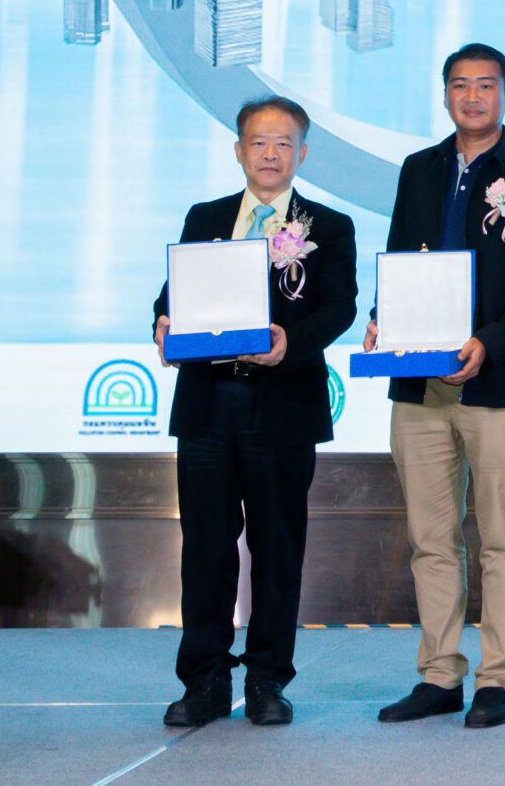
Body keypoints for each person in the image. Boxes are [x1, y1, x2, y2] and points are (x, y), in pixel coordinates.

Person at [369, 43, 505, 730]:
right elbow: (402, 259)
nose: (473, 96)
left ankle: (498, 678)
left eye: (487, 85)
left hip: (499, 382)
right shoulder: (419, 168)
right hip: (418, 383)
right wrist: (382, 319)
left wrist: (490, 342)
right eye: (460, 84)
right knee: (430, 538)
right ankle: (439, 674)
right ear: (446, 95)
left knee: (501, 538)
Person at [151, 97, 357, 728]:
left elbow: (340, 307)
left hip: (283, 405)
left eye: (284, 143)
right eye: (259, 142)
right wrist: (161, 322)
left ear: (302, 153)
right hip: (208, 405)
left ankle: (268, 679)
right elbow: (172, 294)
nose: (271, 154)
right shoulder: (206, 216)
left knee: (277, 549)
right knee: (205, 549)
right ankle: (205, 680)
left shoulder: (330, 225)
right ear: (239, 151)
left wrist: (292, 343)